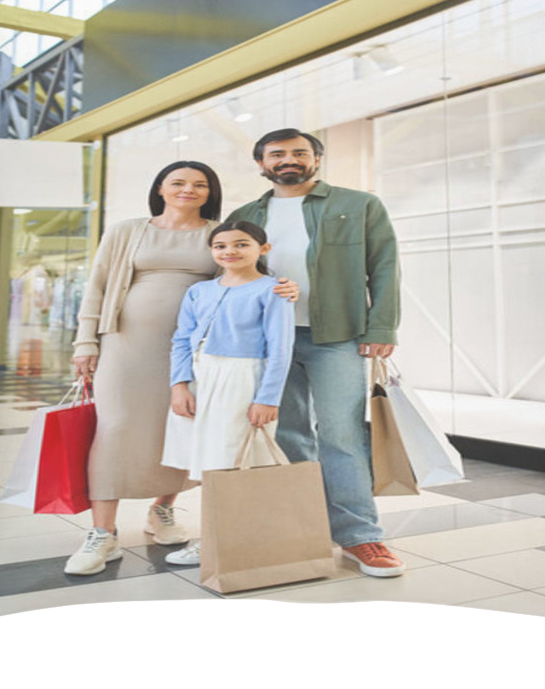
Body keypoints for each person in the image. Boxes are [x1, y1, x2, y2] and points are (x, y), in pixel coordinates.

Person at [65, 163, 297, 576]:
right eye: (178, 182)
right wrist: (85, 341)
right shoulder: (126, 230)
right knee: (114, 428)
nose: (189, 189)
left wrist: (283, 285)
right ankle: (103, 533)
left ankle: (163, 511)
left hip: (197, 354)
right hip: (125, 346)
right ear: (160, 188)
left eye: (200, 184)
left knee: (182, 428)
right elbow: (97, 285)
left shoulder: (217, 233)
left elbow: (242, 271)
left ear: (211, 192)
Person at [225, 129, 405, 578]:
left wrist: (381, 326)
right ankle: (303, 527)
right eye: (277, 154)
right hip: (267, 341)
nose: (289, 160)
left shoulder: (360, 205)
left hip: (337, 335)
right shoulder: (245, 214)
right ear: (261, 164)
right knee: (286, 436)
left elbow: (384, 265)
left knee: (342, 436)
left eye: (299, 153)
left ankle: (361, 535)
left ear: (317, 159)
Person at [159, 221, 295, 565]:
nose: (229, 251)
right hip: (199, 379)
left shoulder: (273, 291)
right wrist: (179, 386)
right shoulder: (199, 292)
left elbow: (281, 348)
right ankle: (220, 536)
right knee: (207, 461)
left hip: (241, 378)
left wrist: (268, 397)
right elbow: (180, 339)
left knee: (230, 461)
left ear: (262, 249)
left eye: (240, 244)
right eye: (220, 246)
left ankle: (222, 541)